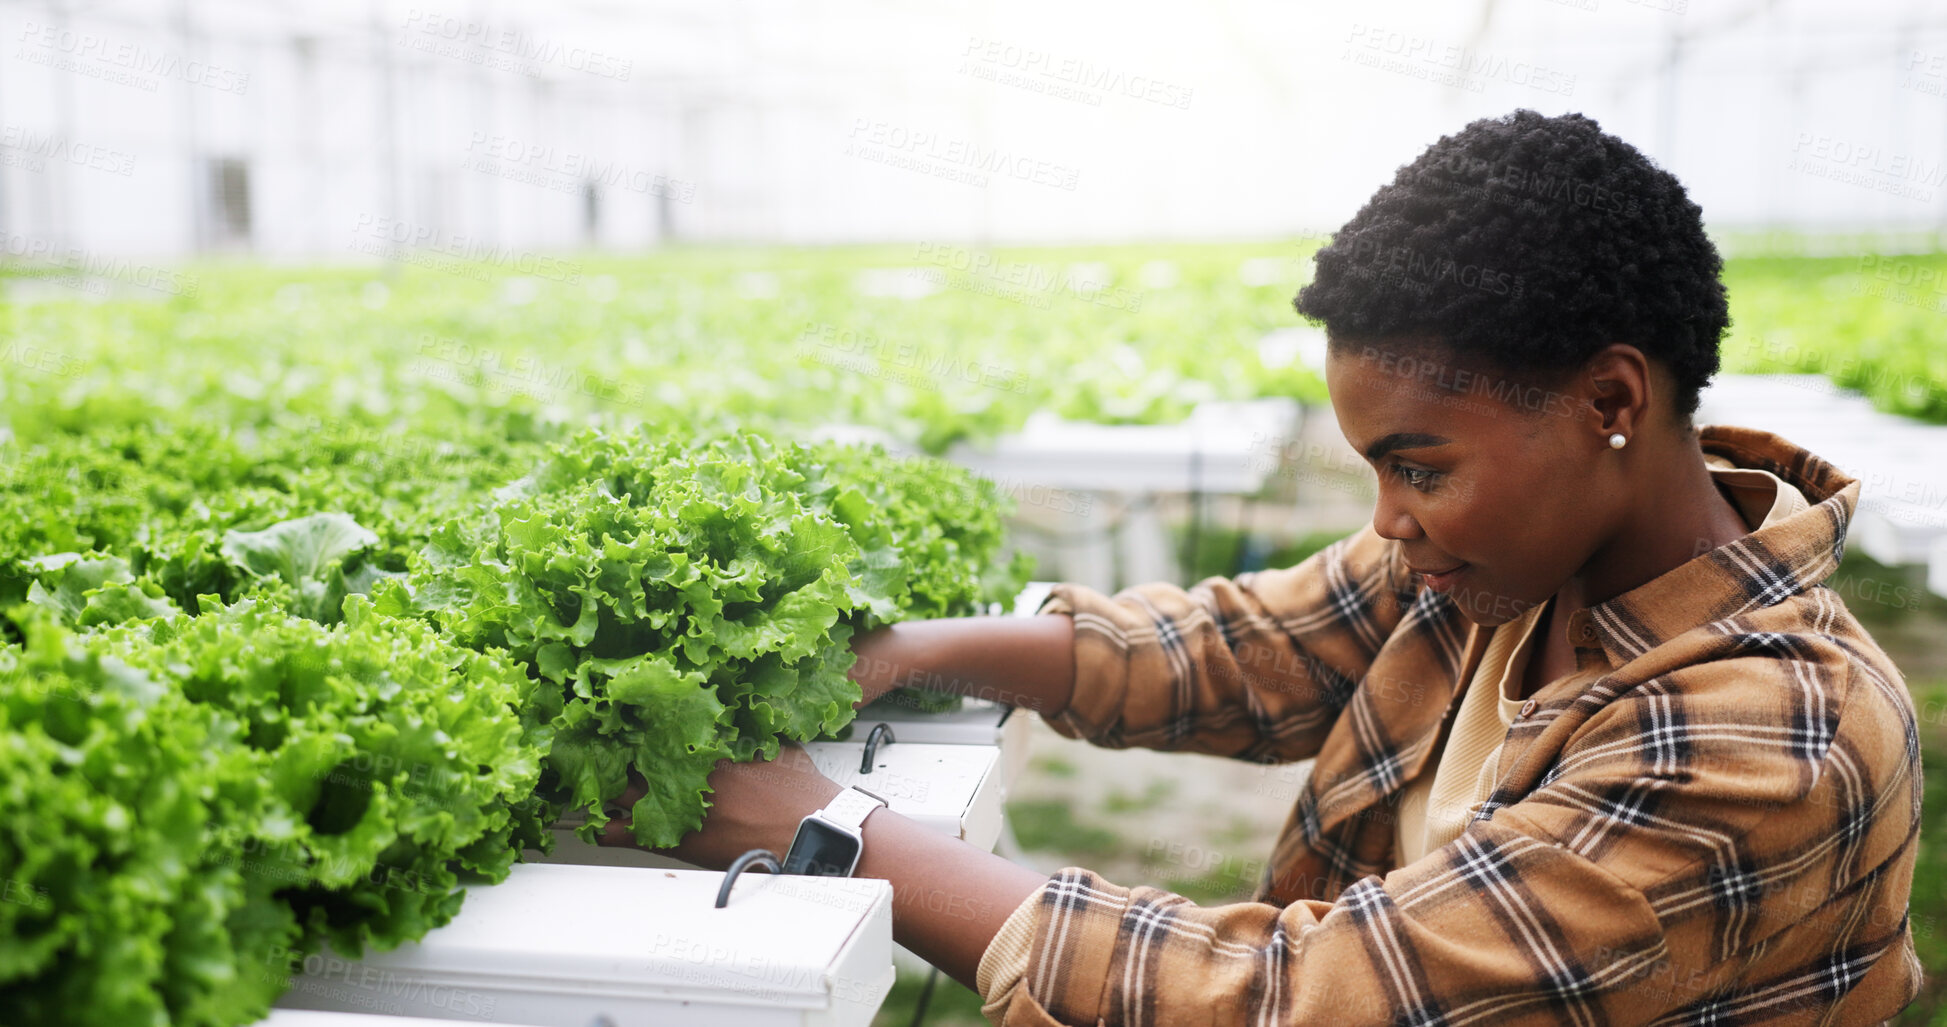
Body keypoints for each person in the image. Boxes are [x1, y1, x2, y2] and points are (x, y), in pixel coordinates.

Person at [600, 109, 1923, 1025]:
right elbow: (1245, 649)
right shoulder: (1510, 563)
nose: (1388, 521)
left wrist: (831, 835)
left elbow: (1311, 1002)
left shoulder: (1768, 742)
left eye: (1418, 466)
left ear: (1611, 400)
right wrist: (914, 652)